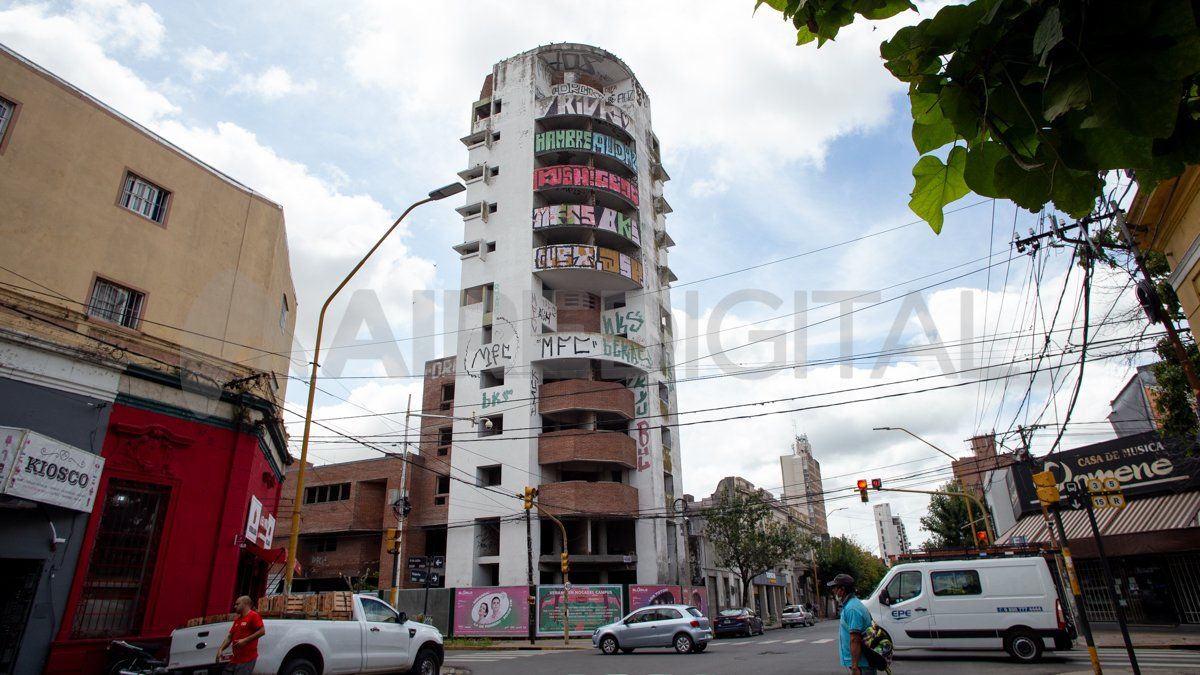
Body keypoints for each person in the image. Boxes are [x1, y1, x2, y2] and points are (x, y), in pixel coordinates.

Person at [827, 574, 875, 675]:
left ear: (842, 589)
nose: (833, 591)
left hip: (862, 665)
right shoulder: (851, 605)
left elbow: (855, 639)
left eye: (835, 588)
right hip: (861, 664)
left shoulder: (852, 608)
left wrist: (854, 666)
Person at [216, 596, 265, 675]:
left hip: (247, 659)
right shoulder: (238, 619)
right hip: (235, 658)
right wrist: (221, 649)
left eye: (237, 604)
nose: (235, 606)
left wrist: (245, 640)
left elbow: (262, 631)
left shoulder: (253, 616)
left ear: (245, 604)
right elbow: (230, 637)